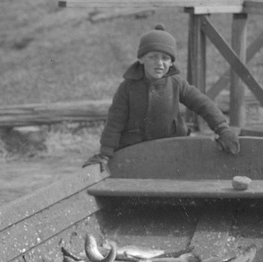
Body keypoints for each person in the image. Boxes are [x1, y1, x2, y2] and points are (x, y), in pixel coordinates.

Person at [84, 24, 241, 170]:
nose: (159, 63)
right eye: (153, 57)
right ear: (141, 59)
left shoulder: (176, 83)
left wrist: (222, 128)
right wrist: (105, 153)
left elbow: (203, 104)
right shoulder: (128, 88)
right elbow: (114, 122)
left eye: (165, 58)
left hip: (173, 145)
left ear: (171, 63)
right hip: (135, 149)